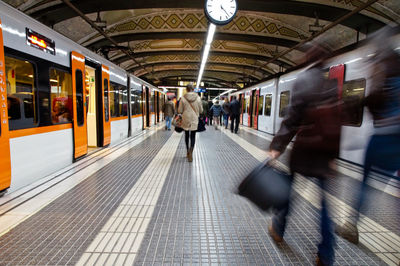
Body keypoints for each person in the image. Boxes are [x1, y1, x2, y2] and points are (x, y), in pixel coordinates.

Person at [267, 42, 341, 266]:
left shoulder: (303, 80)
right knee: (325, 207)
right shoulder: (331, 83)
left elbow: (292, 118)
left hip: (304, 151)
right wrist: (333, 156)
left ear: (307, 59)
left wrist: (277, 146)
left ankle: (278, 229)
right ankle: (326, 255)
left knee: (288, 192)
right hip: (324, 153)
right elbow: (337, 122)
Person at [336, 26, 400, 245]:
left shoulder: (382, 66)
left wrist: (360, 102)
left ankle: (351, 226)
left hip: (383, 136)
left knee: (365, 183)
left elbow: (375, 99)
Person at [178, 84, 203, 162]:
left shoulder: (183, 98)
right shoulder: (198, 98)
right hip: (194, 119)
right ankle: (191, 151)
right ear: (193, 89)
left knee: (186, 135)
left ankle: (187, 151)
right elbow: (201, 110)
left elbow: (180, 111)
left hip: (186, 119)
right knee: (193, 136)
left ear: (187, 89)